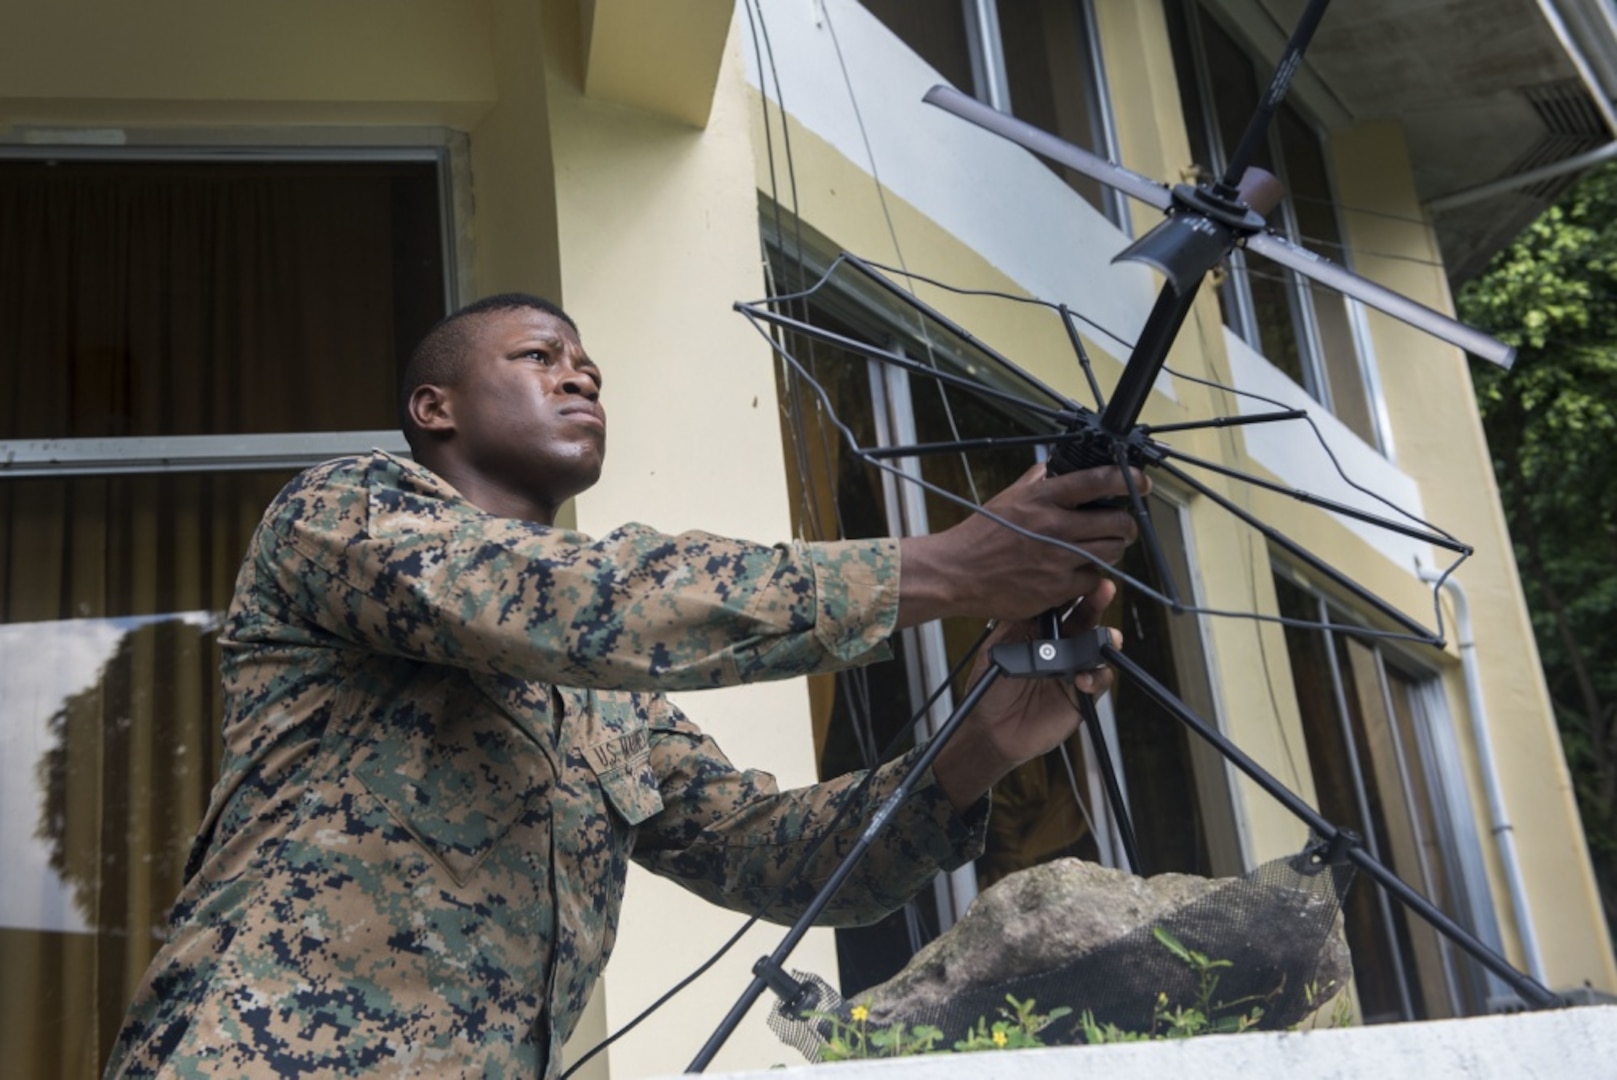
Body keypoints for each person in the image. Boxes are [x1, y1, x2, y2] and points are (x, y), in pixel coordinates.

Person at [104, 293, 1144, 1078]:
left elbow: (766, 853)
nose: (581, 377)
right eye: (539, 357)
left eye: (591, 367)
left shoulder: (603, 703)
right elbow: (566, 599)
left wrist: (983, 743)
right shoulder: (344, 513)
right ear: (434, 406)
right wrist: (946, 570)